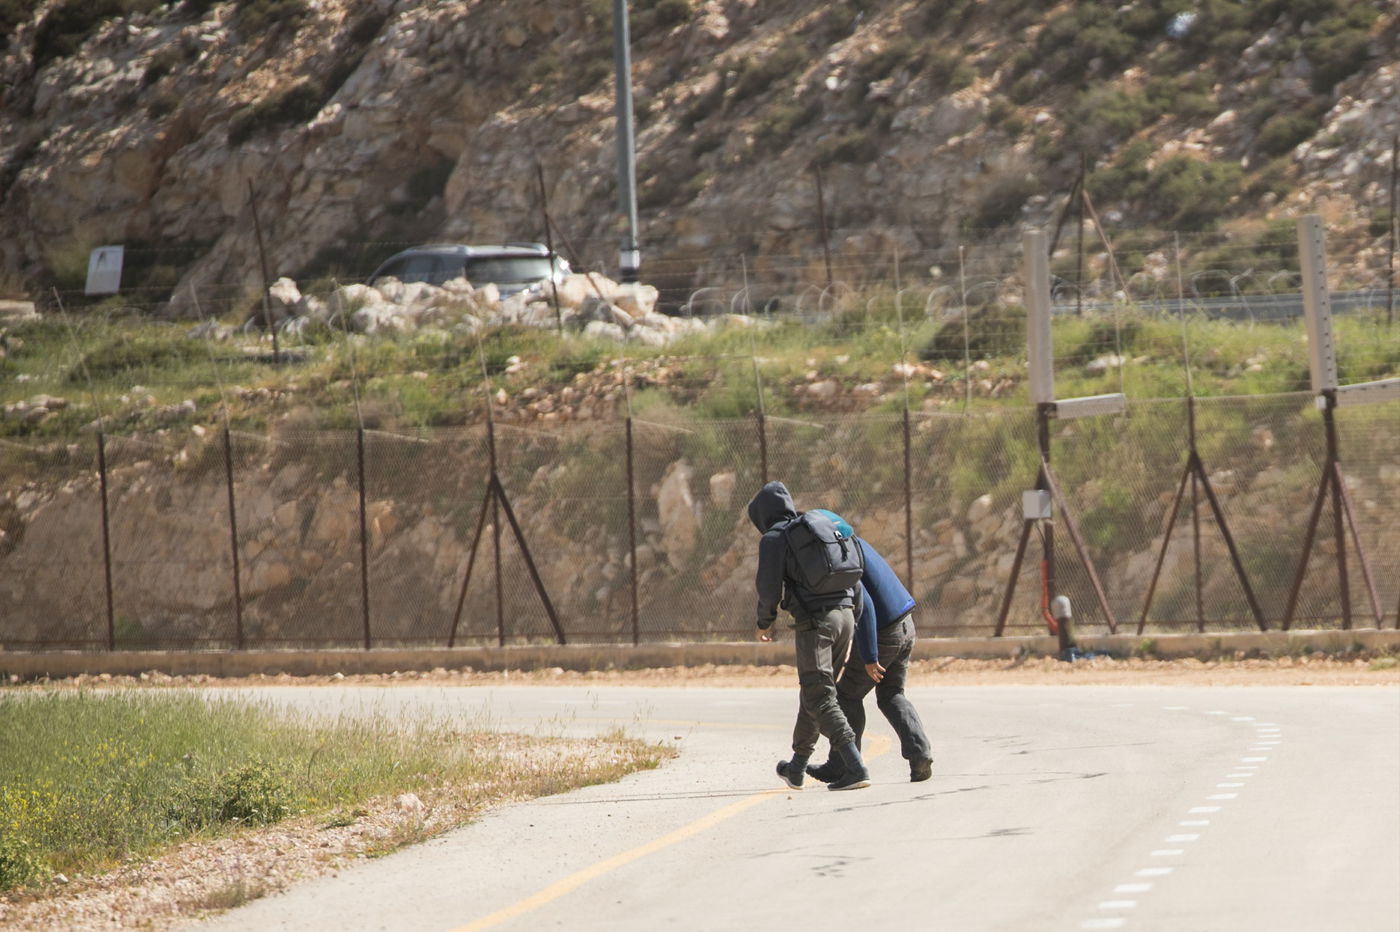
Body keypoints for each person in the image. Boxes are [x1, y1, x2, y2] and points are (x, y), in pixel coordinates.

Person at [747, 481, 872, 792]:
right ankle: (798, 767)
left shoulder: (776, 537)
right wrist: (850, 616)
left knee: (819, 695)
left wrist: (765, 621)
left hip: (816, 623)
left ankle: (855, 766)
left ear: (762, 515)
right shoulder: (817, 529)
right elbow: (854, 578)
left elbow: (768, 587)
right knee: (814, 694)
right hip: (845, 617)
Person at [805, 510, 934, 784]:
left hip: (884, 632)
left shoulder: (843, 557)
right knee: (891, 694)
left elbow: (868, 608)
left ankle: (845, 767)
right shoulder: (858, 544)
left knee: (846, 697)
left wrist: (870, 656)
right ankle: (919, 753)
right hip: (906, 625)